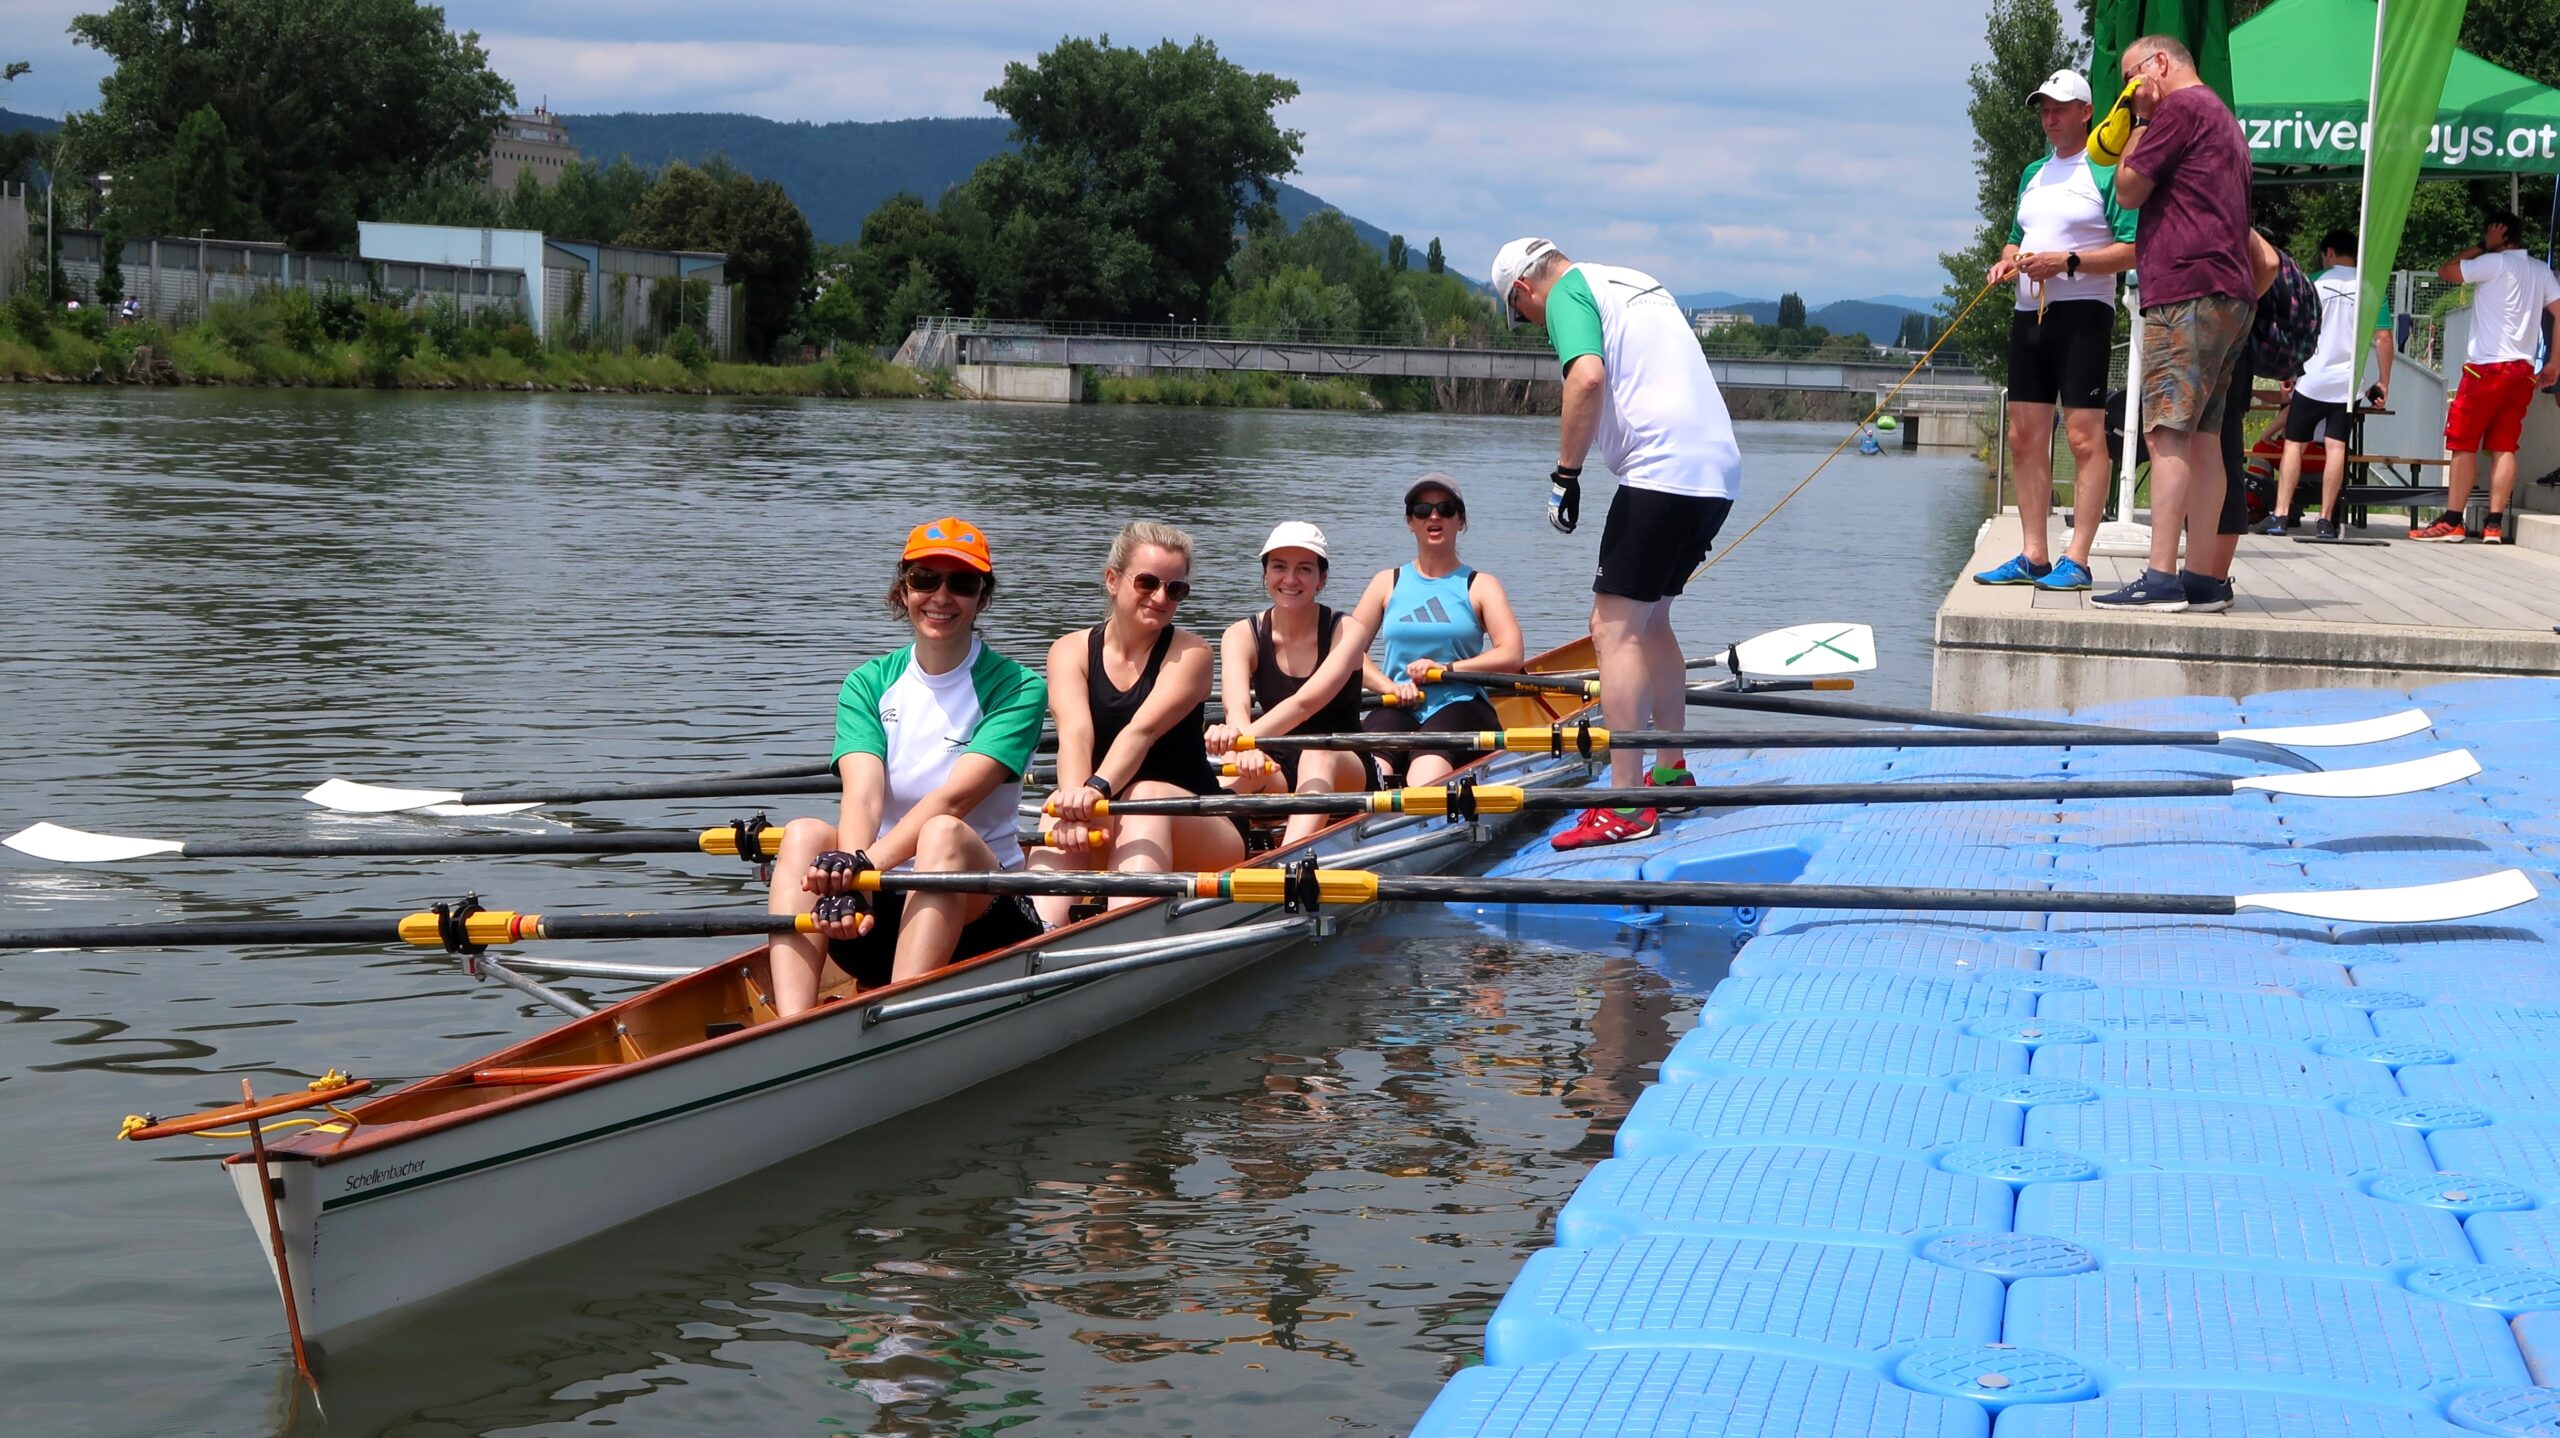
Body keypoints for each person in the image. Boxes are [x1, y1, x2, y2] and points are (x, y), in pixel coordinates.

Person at [1490, 237, 1740, 847]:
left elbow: (1588, 376)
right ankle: (1671, 773)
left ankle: (1626, 803)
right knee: (1651, 624)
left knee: (1612, 631)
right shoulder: (1633, 280)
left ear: (1524, 291)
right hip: (1718, 472)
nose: (1535, 327)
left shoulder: (1569, 292)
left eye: (1523, 317)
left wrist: (1565, 475)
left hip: (1661, 471)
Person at [767, 518, 1048, 1016]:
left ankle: (901, 1019)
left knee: (941, 831)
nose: (941, 596)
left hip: (985, 912)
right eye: (925, 579)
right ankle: (792, 1027)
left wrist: (862, 869)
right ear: (904, 589)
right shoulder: (868, 682)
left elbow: (955, 799)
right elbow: (864, 794)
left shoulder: (1018, 687)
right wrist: (853, 880)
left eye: (961, 584)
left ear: (982, 598)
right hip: (876, 906)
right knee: (804, 834)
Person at [2094, 34, 2255, 612]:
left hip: (2185, 291)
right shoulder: (2222, 116)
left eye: (2134, 77)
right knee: (2206, 438)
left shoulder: (2179, 109)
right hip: (2229, 292)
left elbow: (2129, 187)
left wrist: (2139, 120)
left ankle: (2160, 578)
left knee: (2166, 432)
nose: (2131, 93)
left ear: (2159, 65)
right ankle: (2203, 578)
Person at [1035, 520, 1247, 928]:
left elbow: (1142, 731)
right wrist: (1073, 807)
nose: (1160, 597)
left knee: (1145, 796)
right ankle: (1035, 937)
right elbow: (1075, 734)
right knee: (1054, 810)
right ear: (1112, 580)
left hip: (1200, 823)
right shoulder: (1069, 651)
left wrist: (1093, 792)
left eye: (1175, 588)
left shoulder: (1191, 653)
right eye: (1147, 582)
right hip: (1105, 813)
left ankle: (1123, 934)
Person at [1975, 67, 2138, 594]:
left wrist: (2065, 263)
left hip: (2084, 315)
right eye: (2044, 109)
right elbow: (2013, 238)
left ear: (2086, 113)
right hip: (2029, 316)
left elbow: (2133, 248)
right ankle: (2033, 553)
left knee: (2084, 437)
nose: (2050, 118)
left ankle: (2080, 557)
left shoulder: (2106, 170)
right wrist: (2005, 264)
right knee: (2024, 438)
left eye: (2060, 108)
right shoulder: (2032, 174)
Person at [1206, 522, 1378, 848]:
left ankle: (1288, 859)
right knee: (1225, 783)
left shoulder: (1348, 630)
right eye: (1279, 567)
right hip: (1278, 759)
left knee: (1318, 751)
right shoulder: (1240, 635)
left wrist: (1243, 741)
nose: (1290, 579)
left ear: (1321, 579)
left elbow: (1304, 704)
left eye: (1304, 569)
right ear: (1265, 574)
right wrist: (1246, 747)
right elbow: (1237, 707)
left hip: (1345, 763)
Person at [1352, 475, 1525, 793]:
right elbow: (1346, 654)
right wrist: (1387, 685)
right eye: (1422, 509)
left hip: (1460, 702)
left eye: (1445, 509)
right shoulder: (1385, 582)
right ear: (1410, 522)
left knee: (1424, 769)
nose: (1434, 516)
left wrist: (1444, 671)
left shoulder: (1480, 585)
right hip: (1397, 702)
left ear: (1461, 521)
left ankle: (1419, 816)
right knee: (1367, 768)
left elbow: (1511, 654)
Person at [2418, 211, 2560, 544]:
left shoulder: (2493, 263)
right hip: (2522, 370)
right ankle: (2494, 525)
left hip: (2485, 368)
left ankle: (2453, 521)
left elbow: (2446, 271)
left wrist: (2483, 246)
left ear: (2498, 234)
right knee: (2504, 446)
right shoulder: (2540, 270)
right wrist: (2554, 360)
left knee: (2463, 443)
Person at [2268, 228, 2394, 541]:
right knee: (2337, 447)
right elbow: (2383, 337)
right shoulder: (2370, 287)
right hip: (2347, 384)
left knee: (2294, 444)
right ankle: (2325, 520)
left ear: (2329, 252)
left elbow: (2293, 326)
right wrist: (2384, 381)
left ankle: (2281, 514)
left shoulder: (2314, 281)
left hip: (2312, 377)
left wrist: (2288, 369)